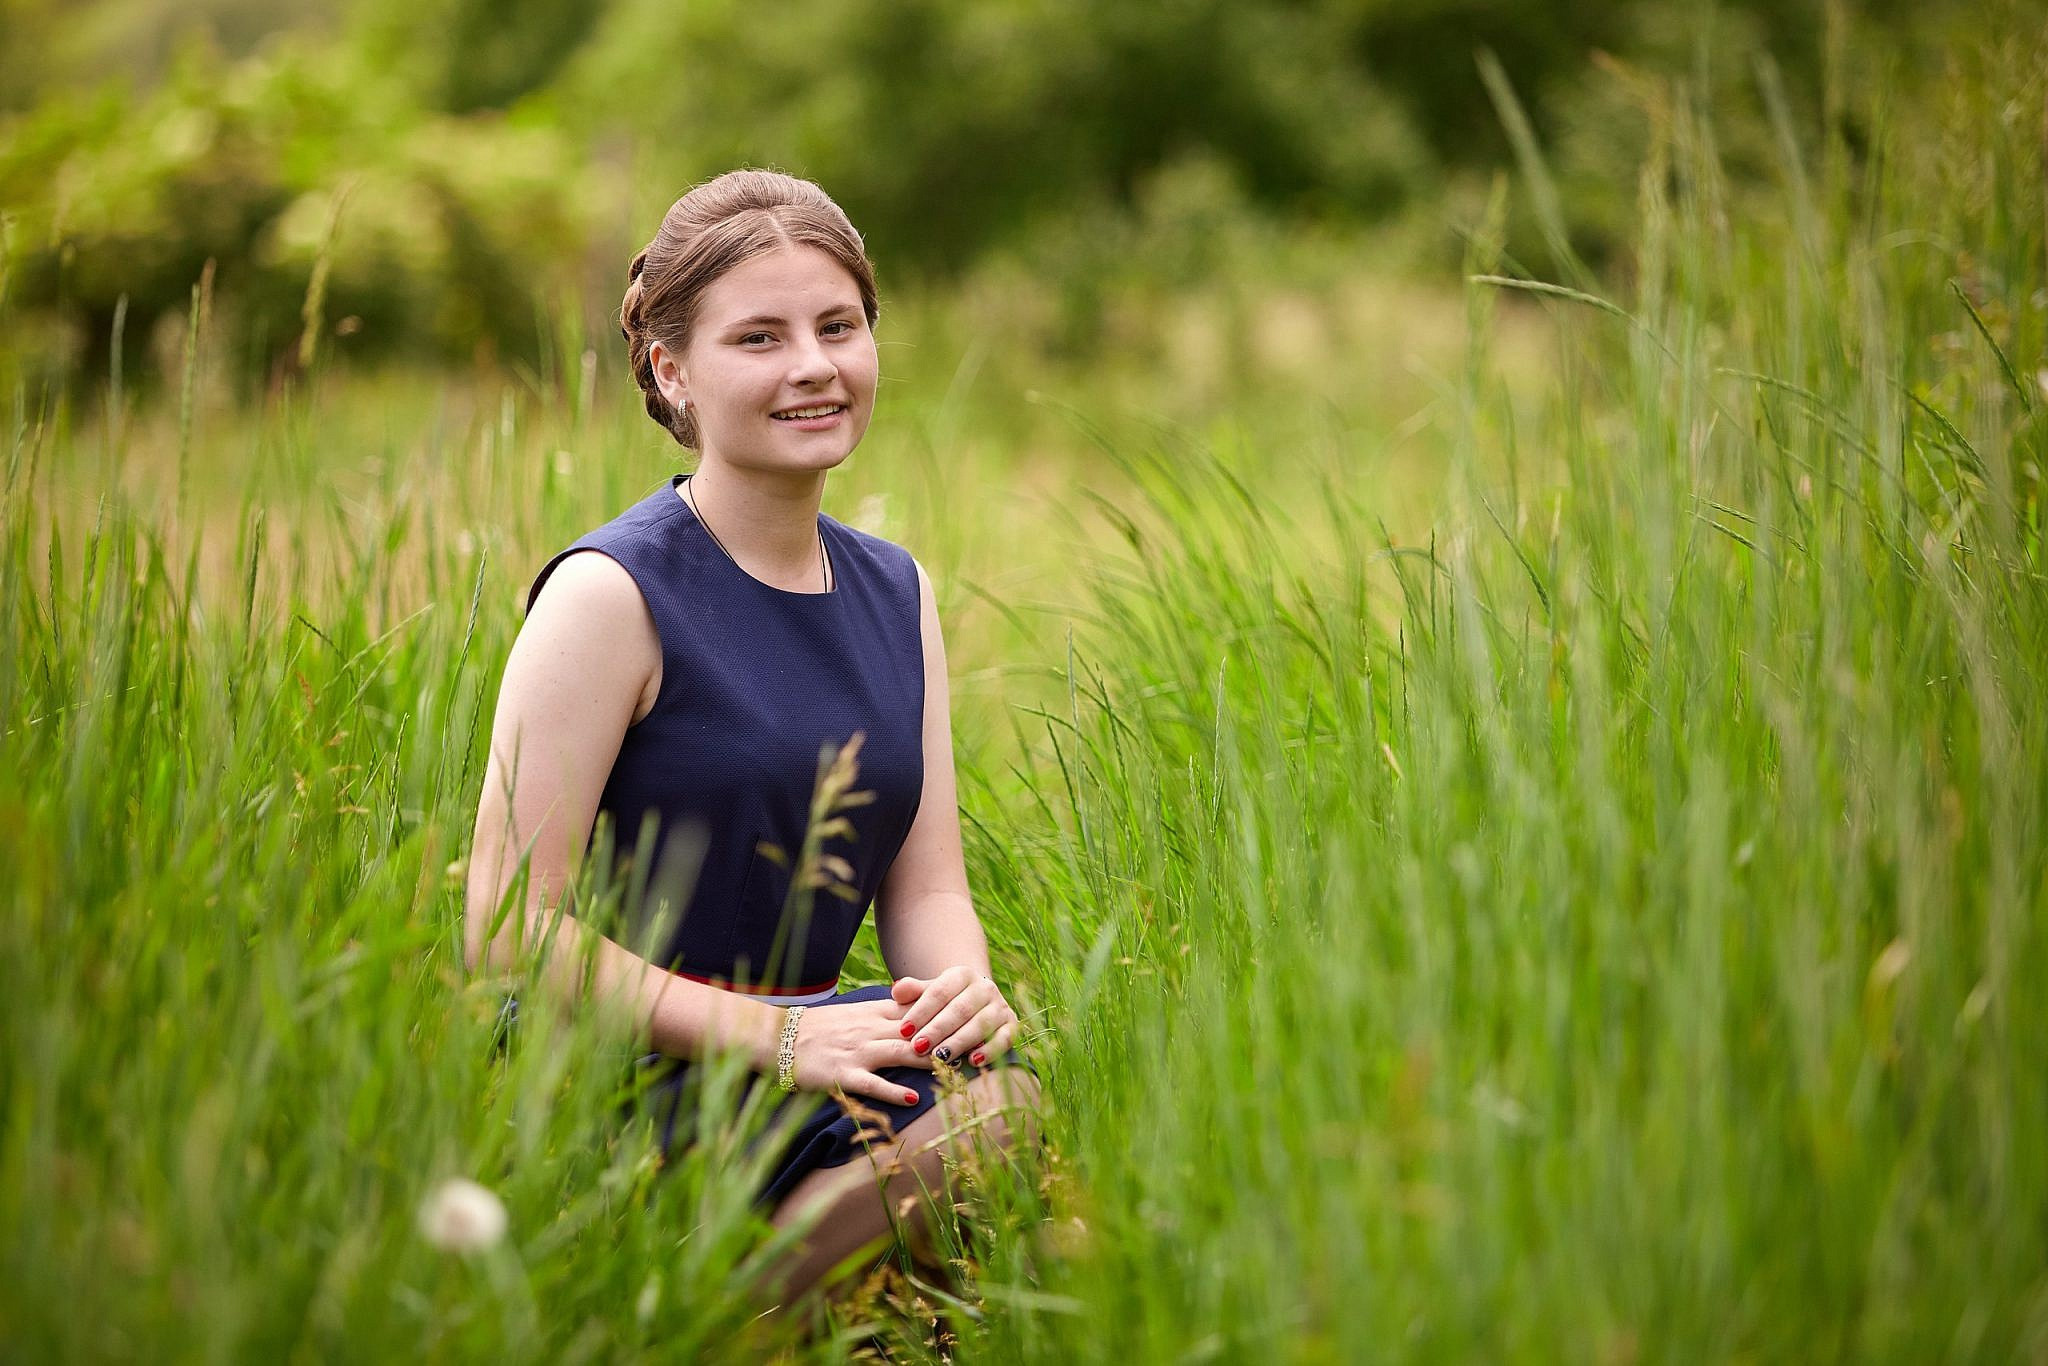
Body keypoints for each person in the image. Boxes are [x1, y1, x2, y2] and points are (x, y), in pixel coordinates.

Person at [462, 168, 1040, 1302]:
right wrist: (777, 1042)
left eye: (838, 326)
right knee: (984, 1148)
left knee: (1010, 1107)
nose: (814, 365)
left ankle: (792, 1285)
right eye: (760, 337)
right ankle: (713, 1303)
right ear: (672, 371)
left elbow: (925, 892)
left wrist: (957, 998)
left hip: (817, 1047)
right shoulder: (609, 593)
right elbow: (504, 927)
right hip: (627, 1062)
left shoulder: (895, 587)